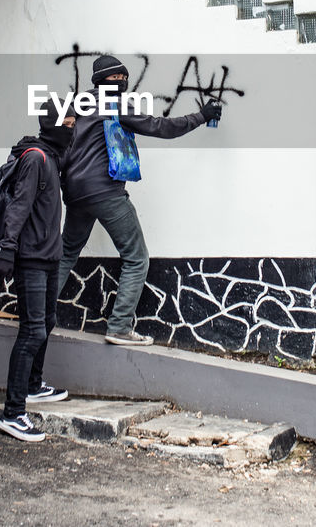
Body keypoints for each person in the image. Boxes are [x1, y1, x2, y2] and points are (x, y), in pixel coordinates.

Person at [58, 55, 222, 345]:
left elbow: (60, 143)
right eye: (121, 78)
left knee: (67, 253)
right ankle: (119, 327)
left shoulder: (77, 104)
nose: (123, 83)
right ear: (113, 80)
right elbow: (161, 127)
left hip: (74, 192)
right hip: (105, 191)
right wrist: (202, 115)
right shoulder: (114, 102)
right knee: (136, 258)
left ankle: (36, 313)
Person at [0, 104, 76, 443]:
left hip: (49, 256)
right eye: (66, 124)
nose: (71, 130)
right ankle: (12, 413)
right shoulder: (35, 159)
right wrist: (7, 250)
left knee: (48, 322)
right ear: (52, 125)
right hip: (30, 259)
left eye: (74, 123)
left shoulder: (53, 158)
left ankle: (33, 385)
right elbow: (19, 206)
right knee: (32, 332)